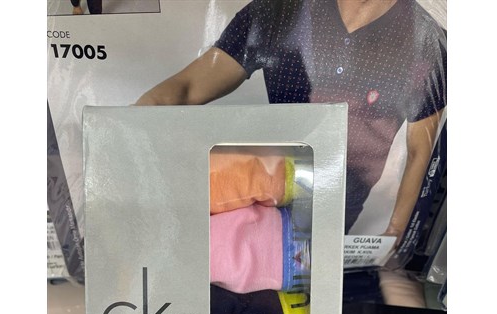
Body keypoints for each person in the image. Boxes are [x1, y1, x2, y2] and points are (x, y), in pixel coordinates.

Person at [136, 0, 446, 241]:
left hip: (333, 216)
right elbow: (188, 88)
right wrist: (124, 128)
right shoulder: (278, 11)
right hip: (251, 193)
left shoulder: (426, 38)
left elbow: (420, 152)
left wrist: (395, 235)